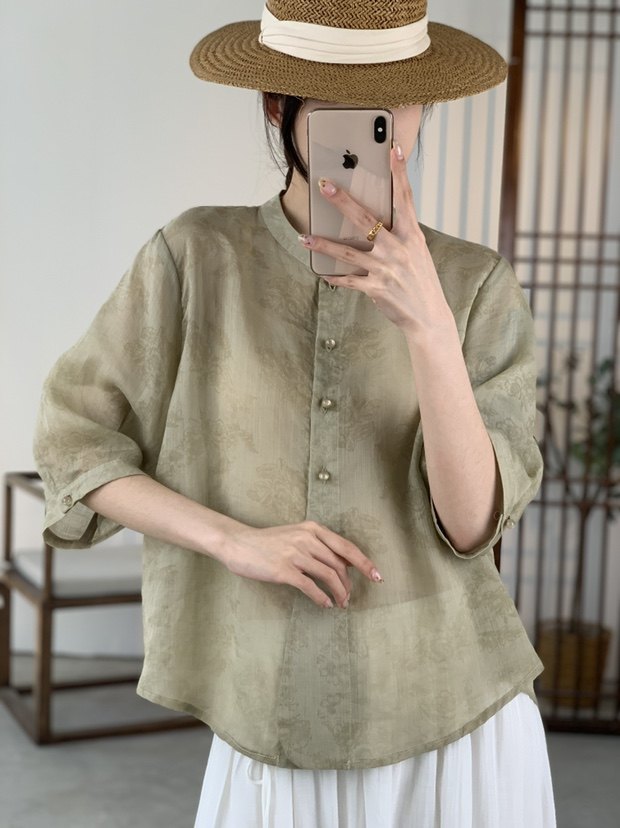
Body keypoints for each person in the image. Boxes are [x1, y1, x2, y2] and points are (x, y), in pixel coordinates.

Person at [33, 1, 558, 825]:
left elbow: (470, 524)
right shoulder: (193, 257)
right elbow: (72, 445)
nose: (381, 128)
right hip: (265, 704)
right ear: (279, 107)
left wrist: (429, 327)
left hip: (455, 713)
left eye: (395, 104)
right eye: (344, 105)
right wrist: (231, 540)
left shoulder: (476, 283)